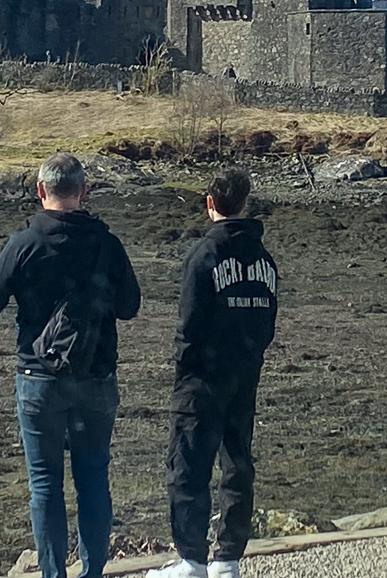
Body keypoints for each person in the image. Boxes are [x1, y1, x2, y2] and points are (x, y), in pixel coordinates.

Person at [0, 153, 141, 578]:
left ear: (40, 190)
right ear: (84, 191)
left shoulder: (24, 244)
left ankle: (53, 573)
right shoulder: (107, 243)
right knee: (92, 479)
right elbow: (130, 306)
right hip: (95, 376)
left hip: (38, 378)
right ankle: (93, 572)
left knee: (45, 485)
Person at [148, 169, 278, 578]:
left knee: (188, 465)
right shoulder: (264, 260)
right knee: (237, 461)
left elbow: (188, 323)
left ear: (210, 203)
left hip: (202, 376)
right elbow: (268, 320)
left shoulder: (203, 256)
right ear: (244, 203)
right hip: (245, 372)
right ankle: (228, 556)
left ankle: (192, 558)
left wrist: (185, 368)